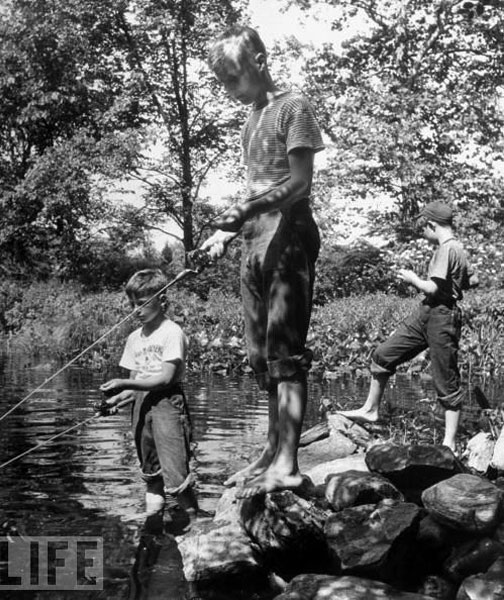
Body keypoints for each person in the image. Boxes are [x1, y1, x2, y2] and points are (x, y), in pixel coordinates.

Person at [201, 25, 324, 497]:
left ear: (259, 59)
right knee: (259, 356)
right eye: (223, 83)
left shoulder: (293, 107)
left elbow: (299, 183)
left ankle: (288, 464)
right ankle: (271, 450)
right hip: (253, 240)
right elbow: (254, 187)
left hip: (288, 234)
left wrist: (248, 210)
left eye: (234, 78)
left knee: (285, 355)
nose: (229, 90)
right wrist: (221, 233)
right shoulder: (250, 119)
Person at [339, 201, 477, 452]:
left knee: (446, 377)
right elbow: (472, 281)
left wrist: (412, 278)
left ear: (432, 224)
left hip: (442, 315)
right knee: (383, 354)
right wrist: (455, 283)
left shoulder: (447, 248)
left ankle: (449, 442)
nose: (423, 234)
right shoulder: (458, 248)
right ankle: (370, 410)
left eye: (423, 228)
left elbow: (432, 287)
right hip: (427, 312)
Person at [100, 269, 198, 520]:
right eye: (132, 304)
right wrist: (115, 401)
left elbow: (165, 378)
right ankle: (152, 529)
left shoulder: (171, 332)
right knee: (151, 476)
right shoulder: (134, 338)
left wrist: (122, 383)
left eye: (142, 303)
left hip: (167, 404)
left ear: (162, 301)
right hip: (142, 407)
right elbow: (135, 386)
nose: (136, 310)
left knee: (177, 478)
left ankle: (196, 529)